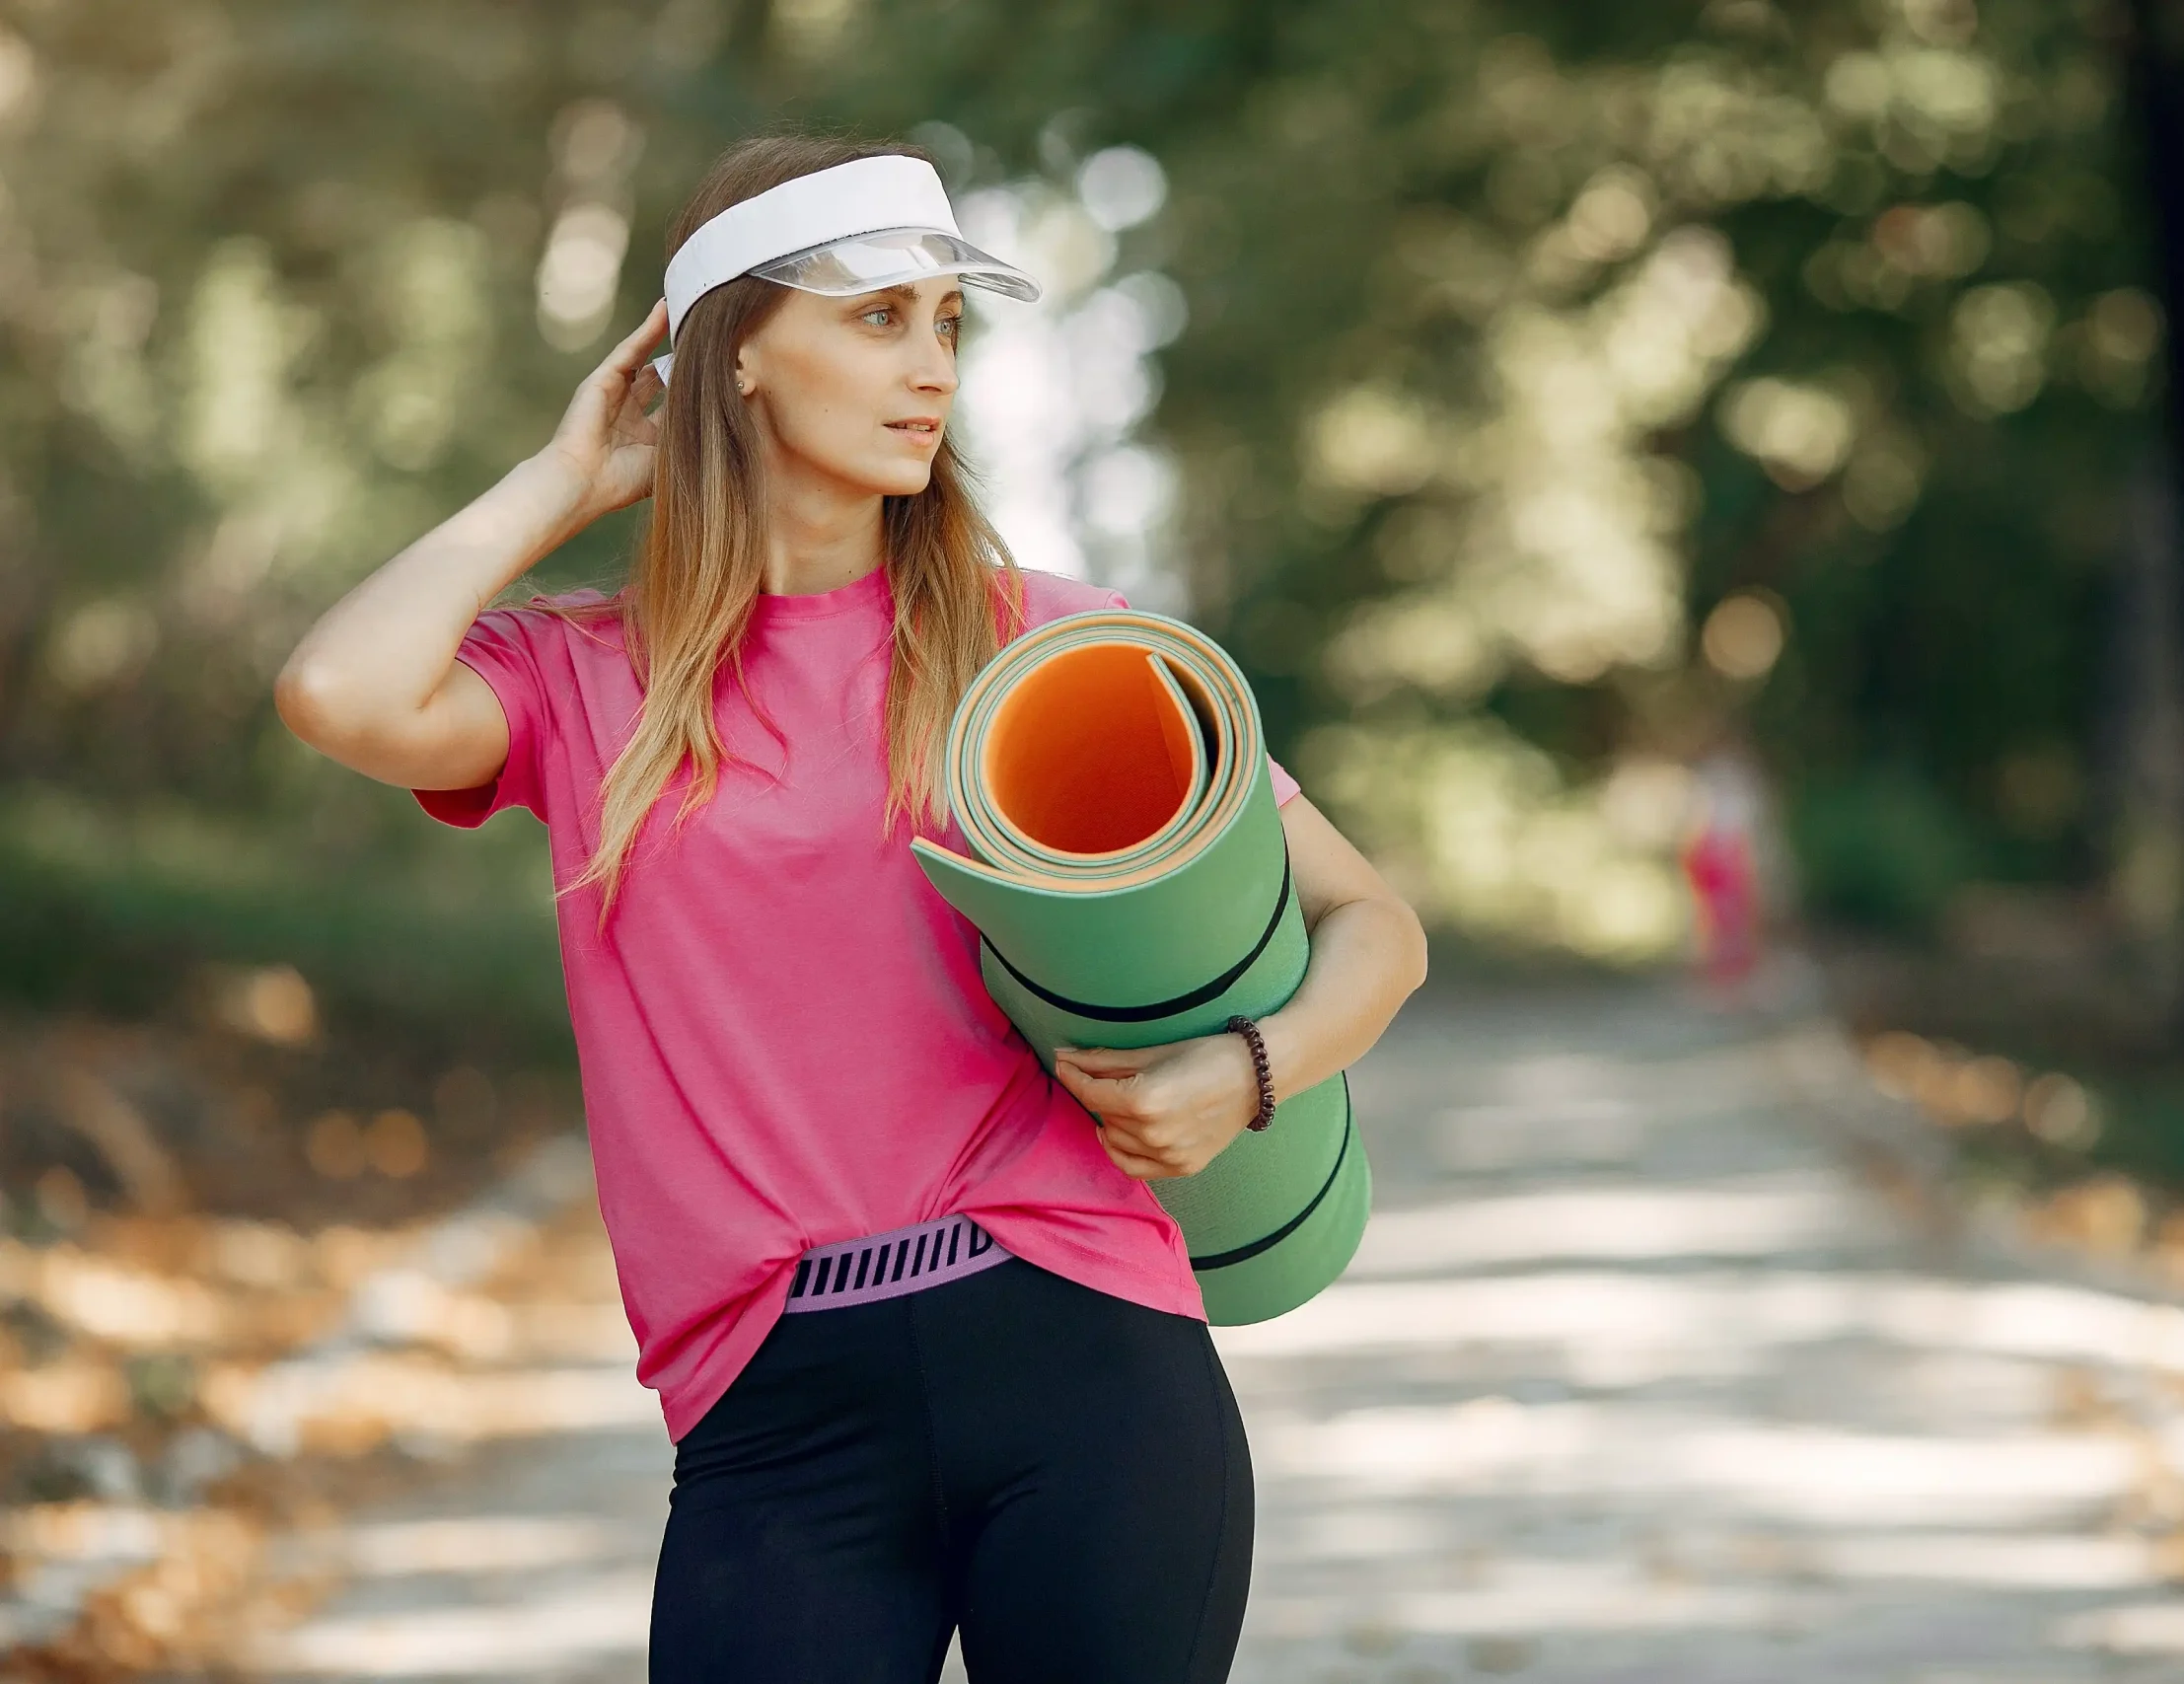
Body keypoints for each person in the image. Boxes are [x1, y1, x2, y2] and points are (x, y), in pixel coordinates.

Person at [272, 134, 1426, 1684]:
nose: (930, 366)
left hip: (1087, 1361)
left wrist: (1252, 1072)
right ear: (737, 350)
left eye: (947, 322)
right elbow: (337, 690)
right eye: (877, 318)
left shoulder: (1054, 648)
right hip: (773, 1420)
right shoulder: (583, 679)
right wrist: (566, 481)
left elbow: (1376, 926)